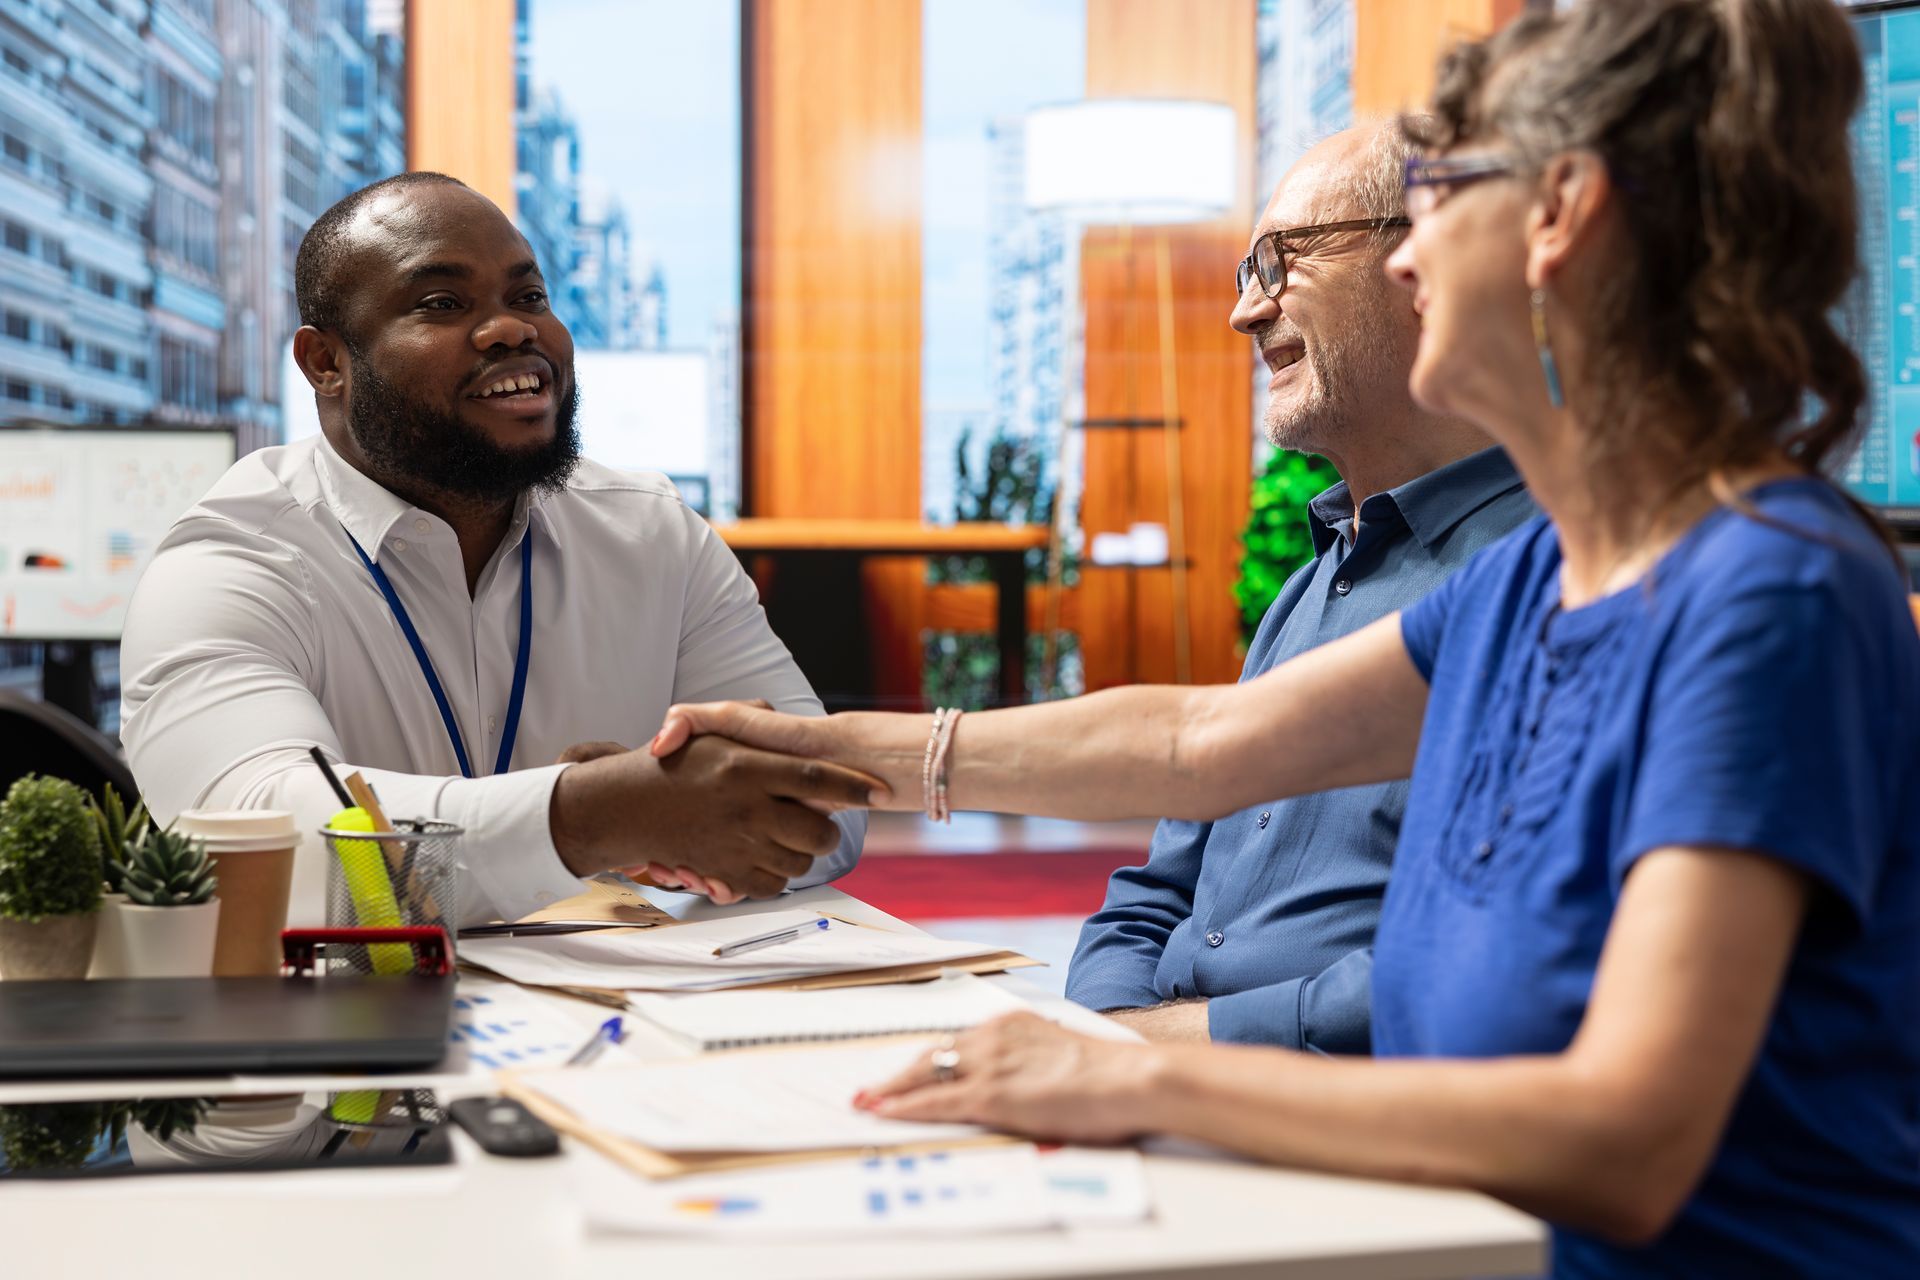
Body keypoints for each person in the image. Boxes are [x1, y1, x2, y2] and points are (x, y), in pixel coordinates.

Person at [650, 0, 1920, 1271]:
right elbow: (1205, 741)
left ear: (1559, 215)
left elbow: (1627, 1141)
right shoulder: (1543, 569)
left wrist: (1134, 1073)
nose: (1411, 261)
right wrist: (805, 748)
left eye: (1436, 200)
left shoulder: (1772, 589)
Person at [120, 173, 875, 927]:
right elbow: (258, 842)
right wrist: (592, 818)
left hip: (633, 1018)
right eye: (443, 304)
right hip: (359, 1026)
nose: (512, 330)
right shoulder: (230, 560)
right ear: (326, 363)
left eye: (529, 298)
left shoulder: (653, 533)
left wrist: (680, 818)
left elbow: (827, 809)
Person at [1067, 122, 1532, 1048]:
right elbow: (1156, 888)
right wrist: (1109, 1033)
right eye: (1248, 270)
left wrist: (1181, 1047)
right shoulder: (1310, 582)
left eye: (1280, 261)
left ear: (1425, 266)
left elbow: (1480, 960)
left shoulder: (1541, 576)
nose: (1244, 311)